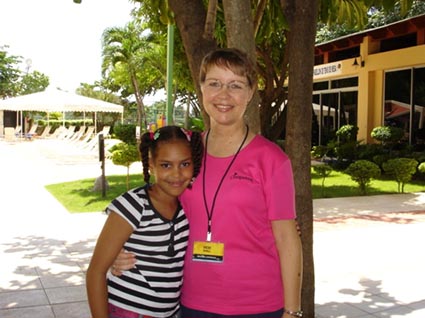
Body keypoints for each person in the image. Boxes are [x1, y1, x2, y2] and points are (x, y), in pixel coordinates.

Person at [113, 48, 303, 318]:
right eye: (214, 83)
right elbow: (150, 203)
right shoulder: (185, 151)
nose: (223, 95)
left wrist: (292, 311)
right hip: (193, 302)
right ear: (201, 88)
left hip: (258, 305)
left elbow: (288, 239)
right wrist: (119, 247)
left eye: (235, 85)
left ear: (250, 94)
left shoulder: (272, 160)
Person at [86, 125, 204, 318]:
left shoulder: (185, 208)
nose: (176, 174)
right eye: (166, 165)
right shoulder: (133, 205)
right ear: (151, 164)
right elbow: (95, 272)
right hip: (129, 312)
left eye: (184, 164)